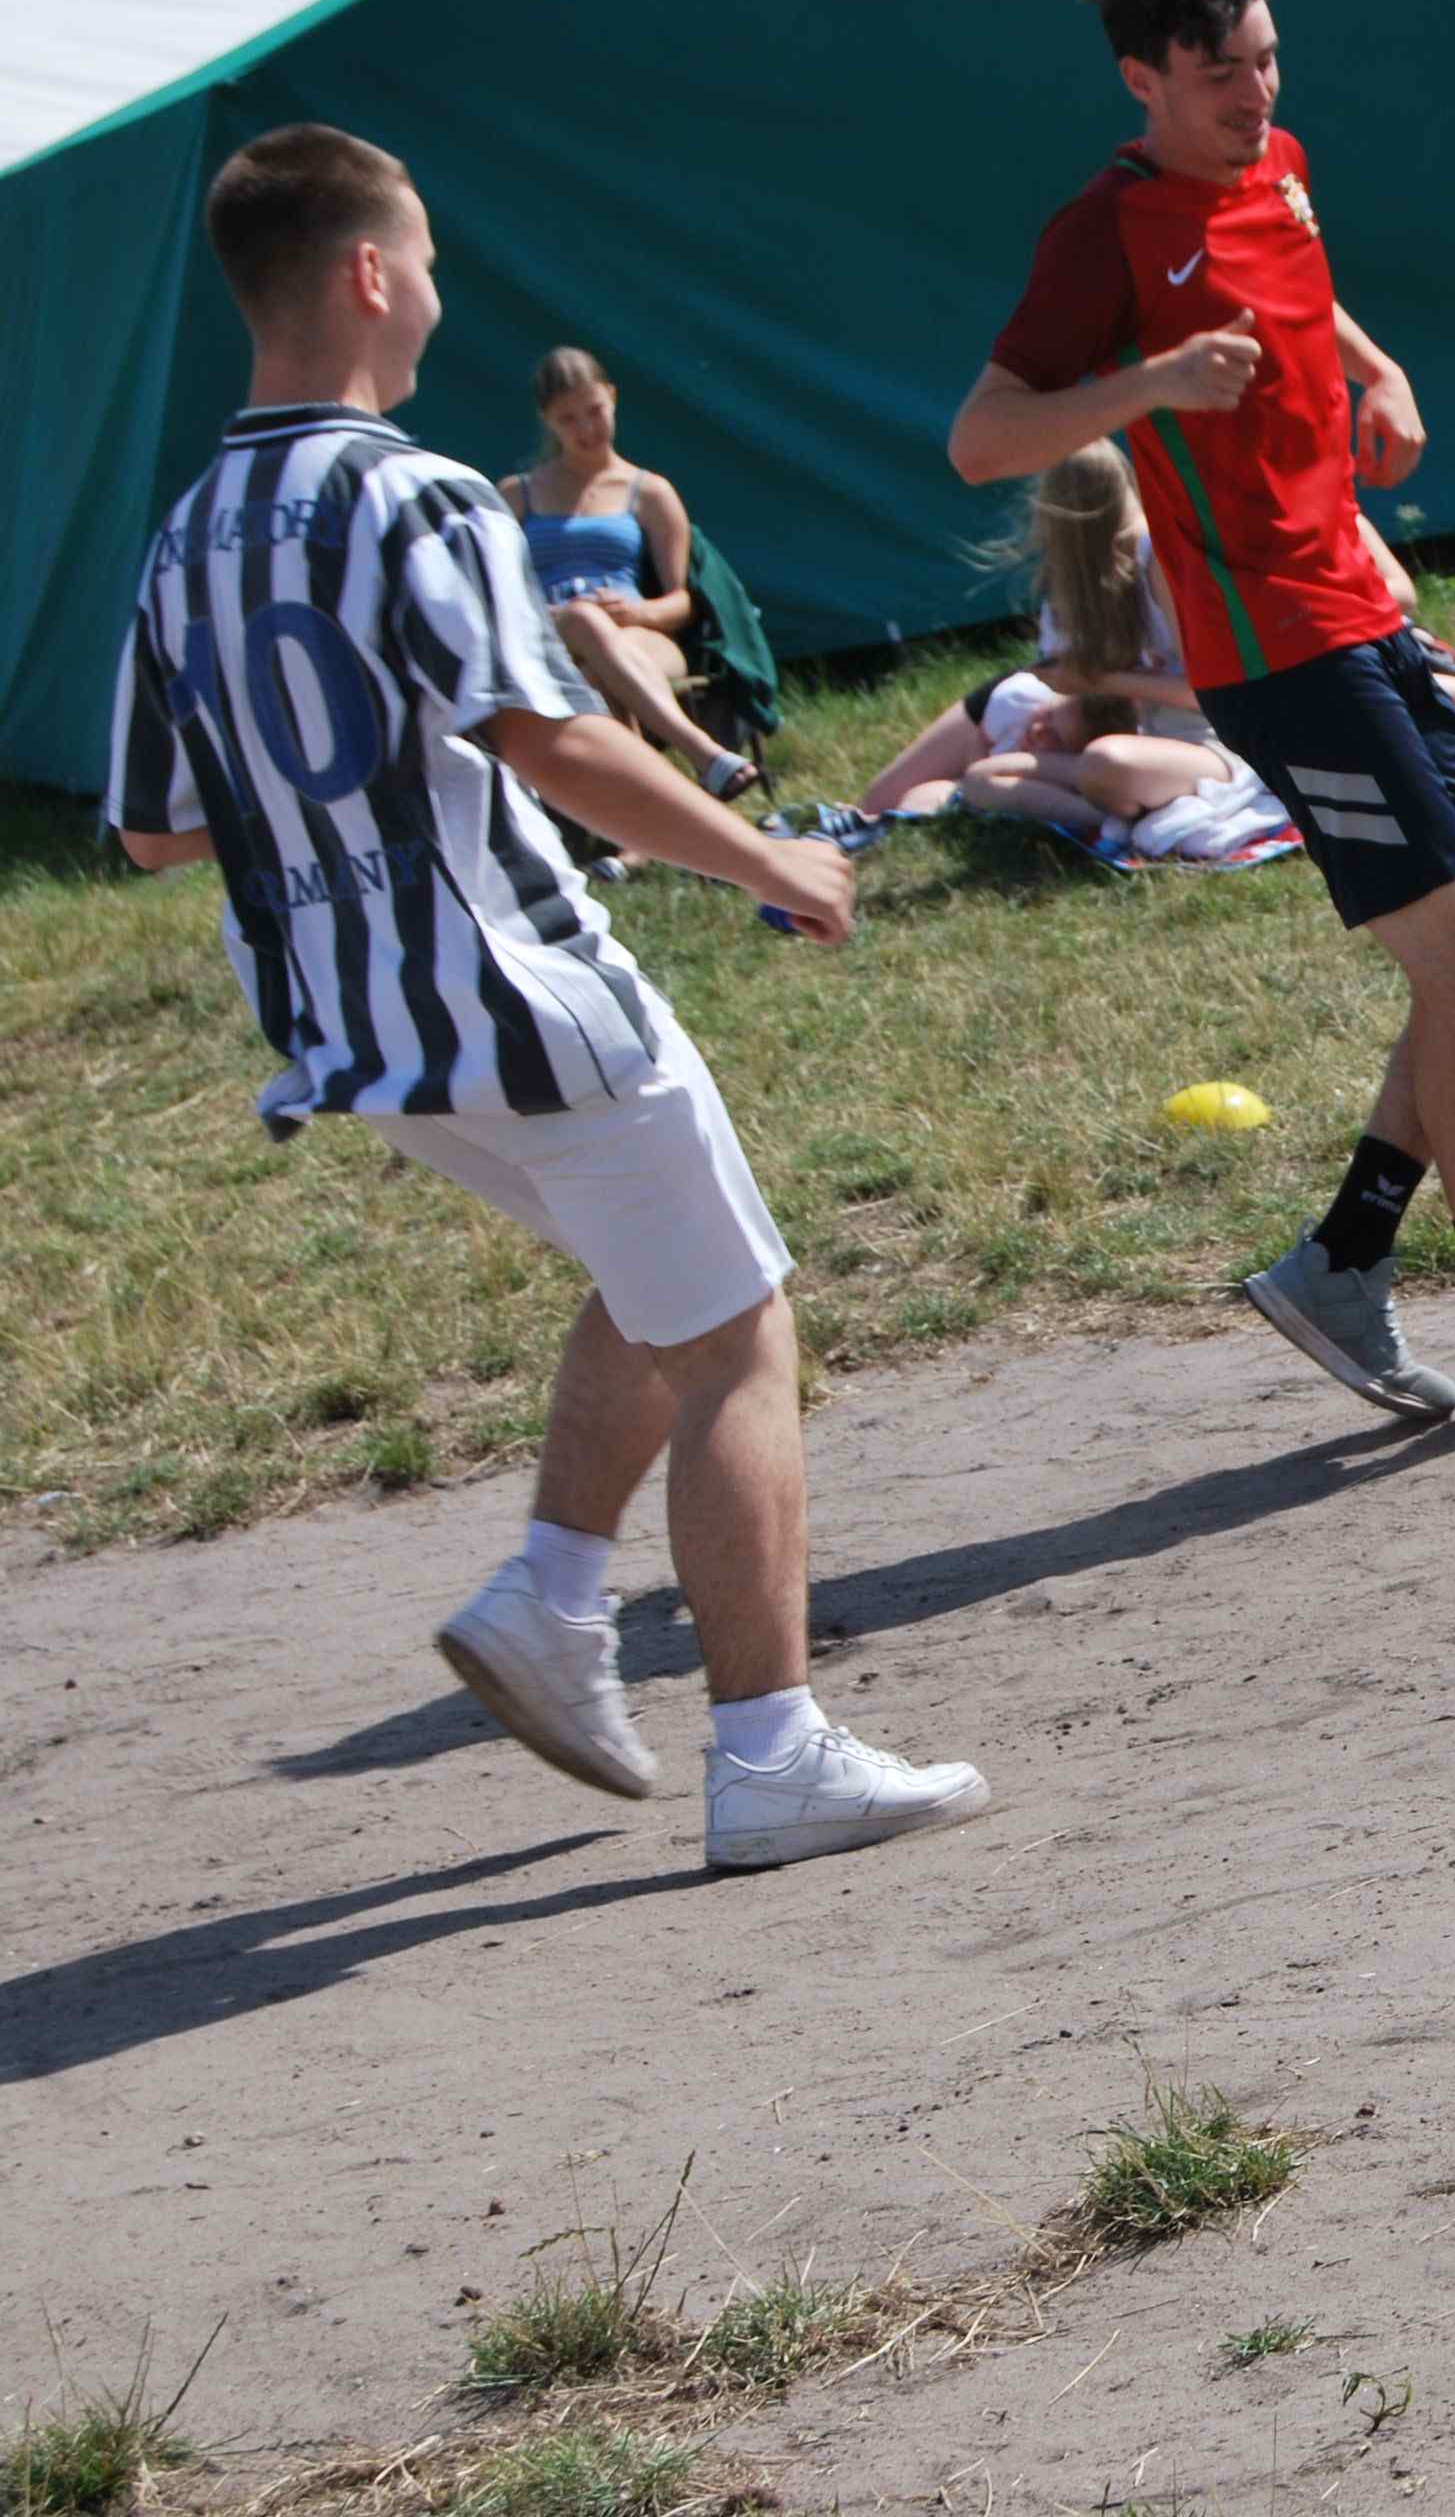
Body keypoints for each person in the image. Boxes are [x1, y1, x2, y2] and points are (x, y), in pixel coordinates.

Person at [111, 125, 990, 1870]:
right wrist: (767, 857)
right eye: (429, 260)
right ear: (371, 273)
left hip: (359, 1038)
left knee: (656, 1270)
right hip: (520, 991)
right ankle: (769, 1748)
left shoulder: (185, 537)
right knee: (737, 1333)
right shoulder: (420, 494)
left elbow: (152, 830)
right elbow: (550, 737)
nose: (439, 294)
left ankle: (553, 1595)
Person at [948, 0, 1455, 1427]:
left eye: (1269, 60)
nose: (1257, 93)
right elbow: (982, 436)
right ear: (1143, 78)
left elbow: (1293, 296)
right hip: (1274, 654)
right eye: (1221, 73)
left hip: (1361, 614)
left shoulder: (1278, 168)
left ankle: (1343, 1261)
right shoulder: (1107, 232)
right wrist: (1149, 385)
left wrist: (1373, 367)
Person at [858, 440, 1257, 825]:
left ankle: (1108, 820)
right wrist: (1068, 699)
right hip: (1134, 741)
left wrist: (1098, 680)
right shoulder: (1080, 582)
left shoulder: (1157, 557)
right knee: (983, 777)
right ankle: (1103, 817)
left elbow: (1209, 694)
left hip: (1211, 744)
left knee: (1106, 762)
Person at [499, 347, 766, 801]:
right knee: (583, 620)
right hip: (548, 638)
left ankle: (639, 824)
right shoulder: (516, 496)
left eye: (594, 411)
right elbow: (494, 592)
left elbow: (682, 603)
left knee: (601, 670)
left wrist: (635, 612)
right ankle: (703, 755)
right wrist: (549, 613)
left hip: (638, 635)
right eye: (569, 419)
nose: (587, 429)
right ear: (547, 421)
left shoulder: (650, 492)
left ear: (613, 398)